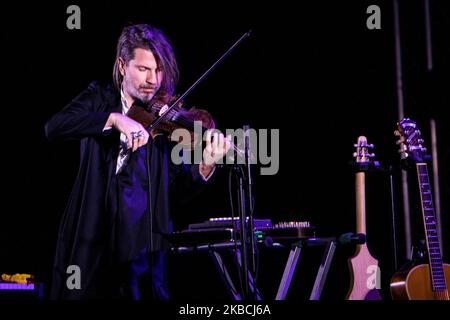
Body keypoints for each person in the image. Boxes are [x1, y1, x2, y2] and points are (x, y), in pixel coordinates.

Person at [45, 24, 230, 300]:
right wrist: (114, 119)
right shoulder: (100, 98)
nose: (153, 80)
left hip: (140, 253)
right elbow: (55, 127)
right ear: (122, 66)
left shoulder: (165, 119)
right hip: (90, 244)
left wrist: (204, 166)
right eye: (143, 69)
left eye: (158, 71)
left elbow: (173, 192)